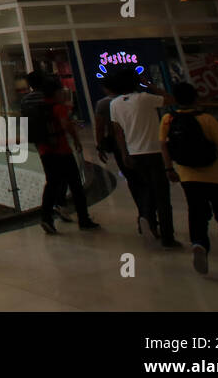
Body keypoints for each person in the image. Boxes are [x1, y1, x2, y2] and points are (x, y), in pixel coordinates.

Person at [160, 83, 218, 277]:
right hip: (217, 178)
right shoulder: (207, 119)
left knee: (197, 213)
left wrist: (169, 169)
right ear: (196, 98)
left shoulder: (168, 119)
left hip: (188, 177)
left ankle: (199, 243)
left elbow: (164, 147)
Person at [24, 71, 99, 234]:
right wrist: (76, 140)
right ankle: (83, 218)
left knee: (51, 183)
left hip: (44, 150)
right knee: (75, 184)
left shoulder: (32, 104)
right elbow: (66, 125)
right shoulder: (58, 107)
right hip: (62, 150)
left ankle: (46, 217)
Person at [110, 73, 179, 247]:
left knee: (147, 190)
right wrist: (149, 84)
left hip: (134, 153)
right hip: (154, 152)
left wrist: (124, 154)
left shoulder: (115, 104)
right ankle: (167, 236)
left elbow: (118, 133)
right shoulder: (145, 98)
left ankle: (148, 220)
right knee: (162, 195)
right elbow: (171, 99)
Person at [94, 67, 147, 230]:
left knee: (133, 180)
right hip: (139, 143)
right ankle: (149, 213)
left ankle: (144, 213)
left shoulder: (104, 104)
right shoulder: (140, 99)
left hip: (120, 146)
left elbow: (100, 127)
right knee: (146, 180)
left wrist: (100, 145)